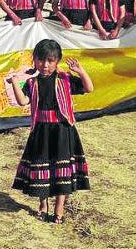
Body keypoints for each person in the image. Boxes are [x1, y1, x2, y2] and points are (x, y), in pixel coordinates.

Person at [8, 39, 92, 224]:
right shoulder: (32, 82)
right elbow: (23, 101)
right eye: (41, 60)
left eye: (50, 61)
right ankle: (43, 205)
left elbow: (89, 88)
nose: (45, 65)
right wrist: (14, 82)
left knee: (62, 170)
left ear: (57, 61)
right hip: (41, 131)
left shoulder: (65, 79)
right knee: (42, 168)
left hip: (63, 130)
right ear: (34, 60)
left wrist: (81, 72)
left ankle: (59, 207)